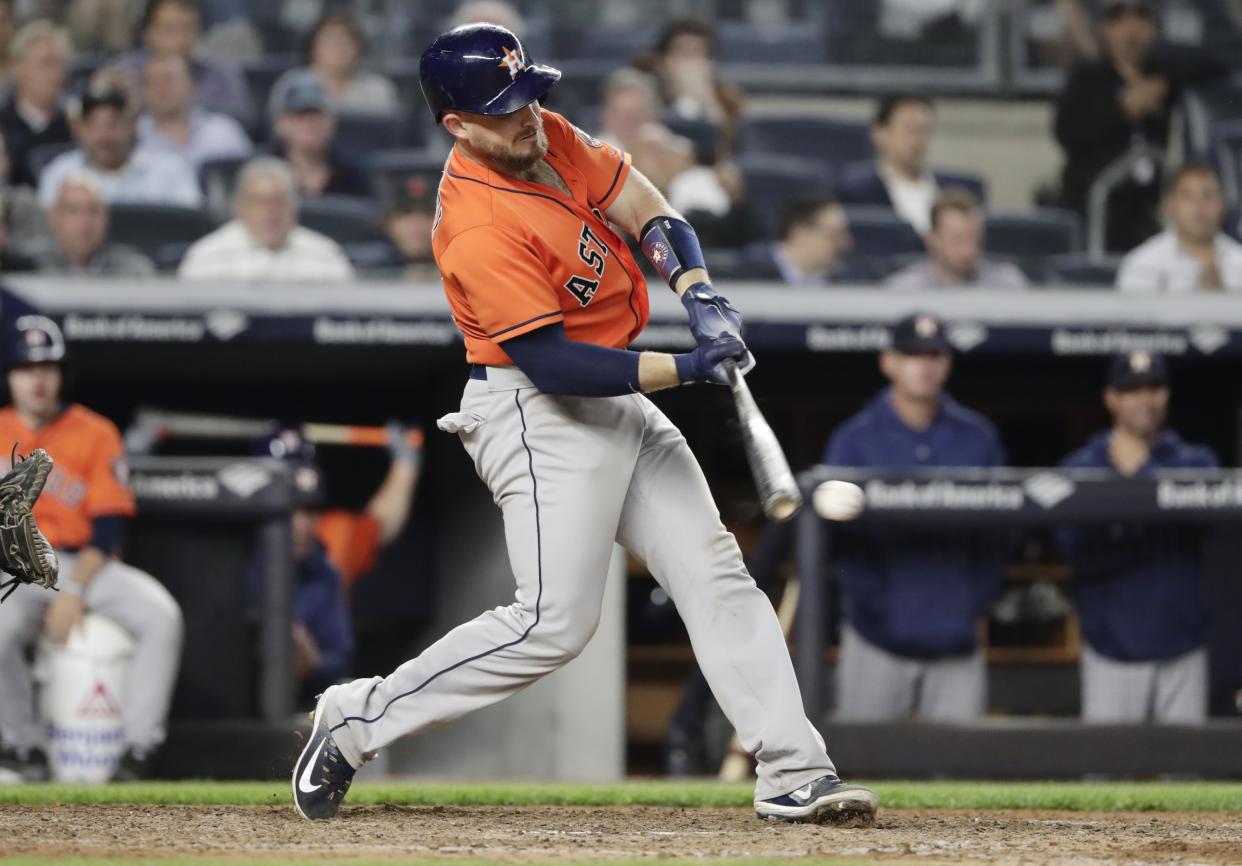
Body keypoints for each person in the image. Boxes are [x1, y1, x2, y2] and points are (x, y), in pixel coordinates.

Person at [291, 23, 878, 827]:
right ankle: (356, 720)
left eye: (528, 93)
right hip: (536, 410)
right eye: (505, 108)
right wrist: (689, 366)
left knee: (714, 570)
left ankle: (791, 768)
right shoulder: (476, 224)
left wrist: (698, 290)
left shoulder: (546, 138)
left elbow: (646, 207)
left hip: (615, 389)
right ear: (457, 127)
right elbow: (556, 366)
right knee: (551, 624)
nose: (529, 115)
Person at [0, 316, 183, 782]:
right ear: (10, 374)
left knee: (161, 616)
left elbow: (109, 528)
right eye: (26, 367)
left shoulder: (95, 432)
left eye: (48, 366)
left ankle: (137, 750)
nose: (38, 378)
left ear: (62, 373)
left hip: (84, 563)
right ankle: (21, 747)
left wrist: (74, 590)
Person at [824, 312, 1006, 722]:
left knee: (960, 776)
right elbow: (837, 542)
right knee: (864, 772)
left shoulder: (978, 438)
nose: (923, 364)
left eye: (934, 354)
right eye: (911, 354)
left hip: (957, 637)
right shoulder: (854, 440)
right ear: (889, 361)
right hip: (874, 638)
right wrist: (875, 606)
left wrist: (970, 604)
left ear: (947, 363)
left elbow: (999, 538)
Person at [1059, 351, 1215, 724]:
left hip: (1182, 646)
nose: (1145, 399)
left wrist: (1141, 474)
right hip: (1111, 647)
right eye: (1131, 390)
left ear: (1166, 395)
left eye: (1154, 388)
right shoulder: (1082, 467)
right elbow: (1073, 550)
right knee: (1105, 778)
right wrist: (1154, 527)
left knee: (1188, 779)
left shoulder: (1196, 463)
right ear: (1111, 398)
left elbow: (1209, 534)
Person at [1054, 0, 1226, 252]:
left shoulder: (1162, 71)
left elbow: (1215, 61)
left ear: (1154, 30)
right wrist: (1120, 111)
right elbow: (1066, 132)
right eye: (1122, 25)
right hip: (1092, 209)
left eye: (1141, 24)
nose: (1132, 33)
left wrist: (1161, 83)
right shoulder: (1088, 77)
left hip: (1145, 212)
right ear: (1106, 30)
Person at [250, 430, 354, 701]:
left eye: (309, 512)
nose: (301, 525)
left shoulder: (323, 572)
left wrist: (313, 663)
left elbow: (341, 658)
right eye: (290, 510)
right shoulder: (231, 560)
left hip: (295, 703)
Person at [178, 156, 354, 282]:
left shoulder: (324, 255)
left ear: (294, 207)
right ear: (240, 207)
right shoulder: (208, 257)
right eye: (260, 202)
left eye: (279, 202)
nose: (270, 212)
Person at [837, 94, 985, 235]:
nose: (916, 140)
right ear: (880, 133)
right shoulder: (858, 192)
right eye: (908, 129)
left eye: (923, 130)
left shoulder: (958, 190)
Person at [38, 84, 202, 210]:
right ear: (78, 129)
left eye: (113, 123)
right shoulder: (60, 174)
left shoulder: (169, 170)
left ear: (131, 125)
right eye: (93, 125)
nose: (104, 135)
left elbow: (191, 224)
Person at [112, 0, 250, 121]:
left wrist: (183, 102)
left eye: (188, 29)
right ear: (148, 34)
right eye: (169, 29)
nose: (180, 40)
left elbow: (244, 120)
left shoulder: (220, 73)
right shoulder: (125, 73)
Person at [1116, 161, 1242, 292]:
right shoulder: (1142, 265)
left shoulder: (1239, 261)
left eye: (1208, 196)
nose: (1199, 207)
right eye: (1188, 197)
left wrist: (1221, 292)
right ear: (1169, 204)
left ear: (1222, 204)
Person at [633, 19, 745, 153]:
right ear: (662, 60)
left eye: (698, 53)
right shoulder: (640, 91)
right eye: (682, 53)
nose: (689, 63)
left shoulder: (728, 97)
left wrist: (706, 99)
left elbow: (725, 149)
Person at [268, 10, 400, 119]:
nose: (339, 48)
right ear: (313, 47)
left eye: (346, 42)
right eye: (332, 40)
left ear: (359, 49)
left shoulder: (378, 89)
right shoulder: (292, 85)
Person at [885, 189, 1028, 289]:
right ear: (932, 240)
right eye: (957, 240)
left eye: (974, 239)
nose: (969, 250)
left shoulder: (1008, 283)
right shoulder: (903, 289)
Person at [137, 53, 251, 172]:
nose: (161, 89)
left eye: (168, 81)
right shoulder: (134, 138)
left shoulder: (224, 131)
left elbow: (247, 176)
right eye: (153, 83)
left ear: (191, 86)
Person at [268, 74, 372, 200]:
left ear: (332, 122)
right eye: (299, 115)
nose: (309, 123)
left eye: (317, 114)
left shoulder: (354, 178)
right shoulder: (263, 176)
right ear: (280, 123)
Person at [35, 172, 155, 276]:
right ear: (54, 217)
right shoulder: (31, 265)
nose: (84, 222)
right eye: (73, 210)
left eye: (93, 211)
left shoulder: (133, 270)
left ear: (106, 219)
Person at [0, 21, 73, 189]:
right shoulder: (3, 124)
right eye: (45, 64)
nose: (55, 73)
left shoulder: (74, 127)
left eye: (60, 64)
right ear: (18, 68)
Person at [735, 196, 853, 286]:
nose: (846, 244)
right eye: (834, 235)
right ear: (800, 233)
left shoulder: (844, 281)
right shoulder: (748, 273)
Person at [380, 179, 439, 281]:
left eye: (428, 213)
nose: (418, 222)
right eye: (406, 213)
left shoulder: (465, 272)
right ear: (388, 225)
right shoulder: (358, 271)